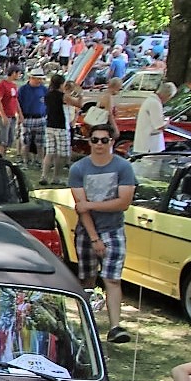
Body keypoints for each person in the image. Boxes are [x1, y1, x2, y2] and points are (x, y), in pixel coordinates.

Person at [68, 120, 137, 343]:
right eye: (94, 140)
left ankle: (116, 326)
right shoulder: (78, 169)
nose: (99, 144)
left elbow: (123, 202)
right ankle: (86, 324)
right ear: (89, 142)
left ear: (112, 142)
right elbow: (81, 208)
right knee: (87, 279)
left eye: (104, 140)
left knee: (112, 278)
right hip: (87, 230)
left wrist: (91, 205)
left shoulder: (123, 167)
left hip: (114, 228)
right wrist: (94, 238)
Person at [40, 72, 71, 186]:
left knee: (50, 152)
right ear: (61, 84)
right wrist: (79, 94)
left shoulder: (48, 95)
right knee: (61, 154)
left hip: (49, 125)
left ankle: (44, 175)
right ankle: (56, 177)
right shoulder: (62, 96)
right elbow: (78, 103)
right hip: (61, 126)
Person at [16, 69, 48, 169]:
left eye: (41, 79)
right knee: (26, 142)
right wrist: (20, 116)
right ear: (31, 78)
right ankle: (25, 161)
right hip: (27, 118)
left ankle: (40, 161)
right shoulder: (23, 89)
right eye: (37, 79)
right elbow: (18, 104)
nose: (39, 81)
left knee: (40, 143)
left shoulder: (44, 89)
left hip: (41, 118)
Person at [134, 81, 174, 154]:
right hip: (150, 145)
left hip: (148, 142)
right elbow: (159, 126)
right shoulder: (155, 103)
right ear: (167, 95)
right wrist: (167, 122)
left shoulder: (151, 100)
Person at [0, 65, 20, 157]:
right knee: (3, 141)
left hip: (12, 116)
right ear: (13, 73)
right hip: (4, 116)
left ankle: (3, 157)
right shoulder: (2, 85)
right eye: (18, 73)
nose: (19, 75)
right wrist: (2, 115)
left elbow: (15, 100)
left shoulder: (14, 86)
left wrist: (19, 113)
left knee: (9, 140)